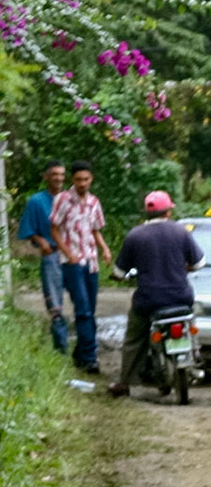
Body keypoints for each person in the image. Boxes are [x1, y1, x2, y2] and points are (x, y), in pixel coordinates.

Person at [107, 191, 203, 398]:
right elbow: (198, 263)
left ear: (147, 213)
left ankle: (125, 382)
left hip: (149, 300)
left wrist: (118, 277)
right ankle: (194, 354)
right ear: (168, 212)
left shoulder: (135, 235)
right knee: (191, 321)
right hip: (181, 297)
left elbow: (119, 273)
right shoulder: (181, 231)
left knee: (134, 338)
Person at [49, 160, 109, 373]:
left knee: (90, 310)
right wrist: (68, 254)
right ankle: (90, 357)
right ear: (72, 180)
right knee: (83, 309)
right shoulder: (63, 199)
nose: (82, 183)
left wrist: (105, 249)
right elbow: (54, 229)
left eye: (85, 179)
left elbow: (95, 229)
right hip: (72, 263)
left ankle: (81, 354)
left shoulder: (94, 202)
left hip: (91, 262)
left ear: (91, 179)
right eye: (78, 180)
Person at [15, 160, 68, 353]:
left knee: (81, 300)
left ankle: (85, 350)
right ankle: (61, 348)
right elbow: (27, 228)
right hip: (51, 255)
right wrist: (40, 240)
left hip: (72, 255)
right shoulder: (36, 201)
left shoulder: (69, 199)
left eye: (61, 174)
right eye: (54, 174)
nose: (58, 178)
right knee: (55, 304)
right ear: (46, 176)